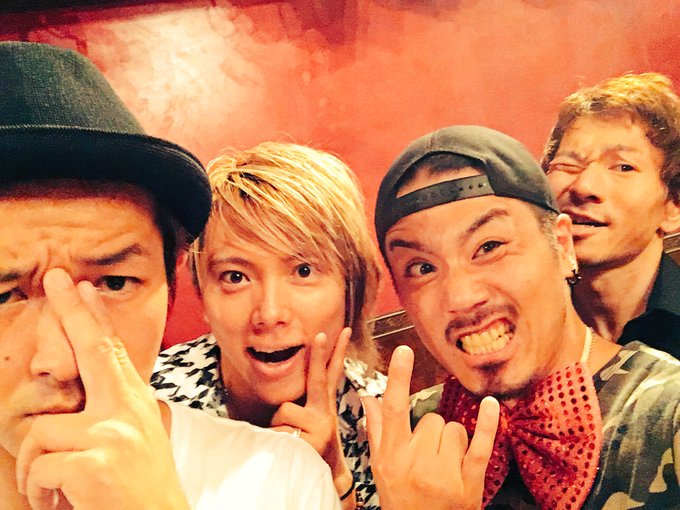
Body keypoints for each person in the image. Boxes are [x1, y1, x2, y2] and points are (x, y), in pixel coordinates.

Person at [0, 41, 340, 510]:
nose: (62, 362)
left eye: (113, 283)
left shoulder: (281, 478)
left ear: (172, 286)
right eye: (4, 296)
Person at [363, 125, 680, 509]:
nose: (461, 297)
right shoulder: (404, 438)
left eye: (489, 246)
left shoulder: (668, 410)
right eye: (422, 268)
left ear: (562, 247)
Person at [152, 142, 386, 509]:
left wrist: (335, 482)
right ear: (203, 298)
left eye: (303, 271)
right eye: (235, 276)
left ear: (351, 288)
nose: (270, 313)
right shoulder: (150, 407)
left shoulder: (380, 419)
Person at [542, 73, 680, 357]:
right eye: (567, 165)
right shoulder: (526, 331)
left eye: (623, 167)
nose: (584, 187)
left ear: (673, 206)